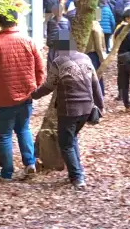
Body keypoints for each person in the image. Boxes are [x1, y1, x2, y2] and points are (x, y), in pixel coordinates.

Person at [0, 11, 45, 181]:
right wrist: (35, 88)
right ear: (17, 21)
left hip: (3, 96)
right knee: (24, 128)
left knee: (5, 135)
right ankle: (30, 163)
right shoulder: (29, 42)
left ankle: (7, 173)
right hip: (26, 94)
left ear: (0, 24)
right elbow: (40, 68)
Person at [33, 31, 104, 189]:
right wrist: (100, 105)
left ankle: (77, 178)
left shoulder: (59, 62)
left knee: (65, 143)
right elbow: (95, 83)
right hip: (87, 108)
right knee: (71, 139)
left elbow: (48, 86)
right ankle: (77, 172)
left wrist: (33, 95)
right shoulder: (85, 58)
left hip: (69, 109)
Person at [113, 5, 130, 109]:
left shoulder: (118, 29)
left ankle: (126, 104)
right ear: (127, 18)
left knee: (124, 83)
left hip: (121, 59)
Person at [86, 15, 106, 96]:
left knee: (93, 75)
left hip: (89, 53)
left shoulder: (90, 25)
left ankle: (98, 93)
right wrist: (102, 59)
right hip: (93, 54)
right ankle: (98, 94)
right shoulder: (95, 27)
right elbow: (98, 46)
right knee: (95, 75)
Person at [46, 1, 70, 65]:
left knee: (52, 63)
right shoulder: (67, 21)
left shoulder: (50, 21)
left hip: (53, 45)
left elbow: (48, 33)